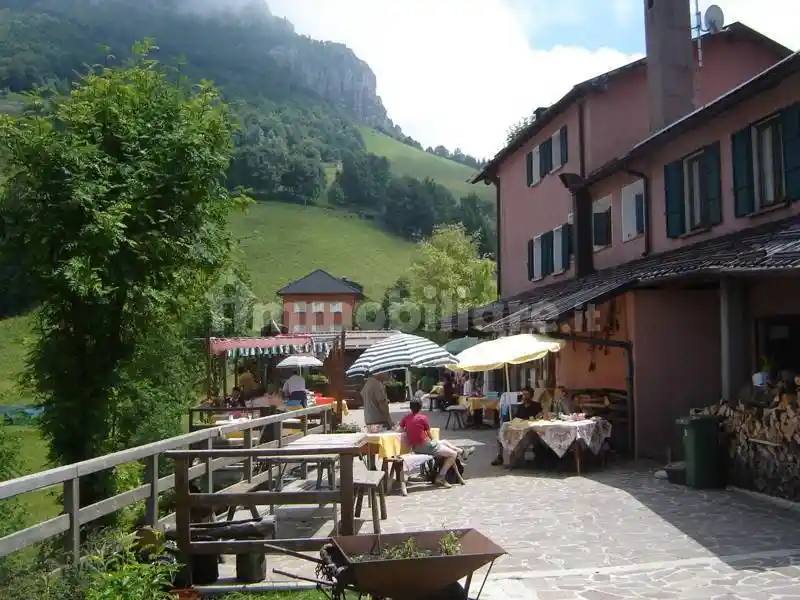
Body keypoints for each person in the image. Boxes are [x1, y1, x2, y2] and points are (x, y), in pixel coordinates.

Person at [398, 400, 466, 488]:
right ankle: (440, 477)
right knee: (453, 454)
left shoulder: (406, 418)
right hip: (426, 446)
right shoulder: (422, 418)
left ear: (410, 408)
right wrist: (436, 442)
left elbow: (399, 429)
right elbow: (430, 435)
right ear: (421, 407)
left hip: (415, 447)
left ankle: (462, 451)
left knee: (444, 441)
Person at [491, 386, 542, 466]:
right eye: (523, 394)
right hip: (518, 429)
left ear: (531, 395)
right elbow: (517, 418)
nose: (524, 397)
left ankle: (517, 458)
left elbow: (539, 417)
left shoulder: (536, 406)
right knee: (501, 434)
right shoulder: (520, 406)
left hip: (530, 430)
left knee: (525, 437)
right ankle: (500, 456)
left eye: (526, 394)